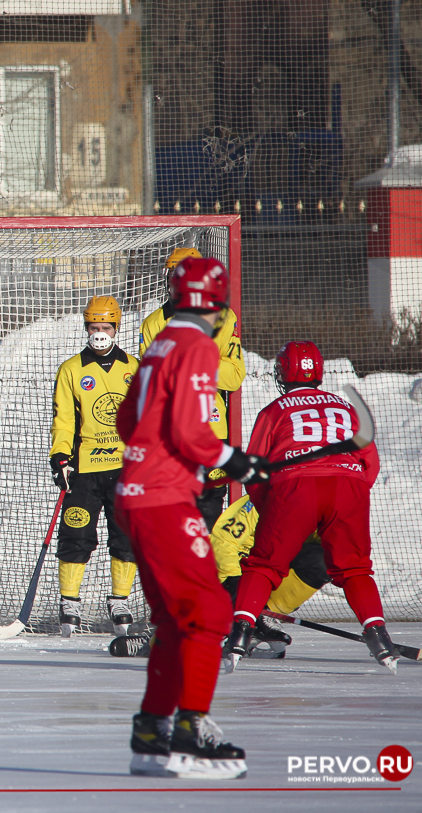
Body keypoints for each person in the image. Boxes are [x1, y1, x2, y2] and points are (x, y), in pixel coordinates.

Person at [115, 255, 270, 779]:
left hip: (134, 495)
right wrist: (235, 460)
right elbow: (189, 430)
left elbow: (125, 418)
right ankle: (190, 731)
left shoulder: (159, 343)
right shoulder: (198, 346)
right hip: (163, 499)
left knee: (172, 622)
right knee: (207, 612)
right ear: (219, 305)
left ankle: (152, 730)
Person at [224, 341, 397, 672]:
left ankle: (239, 634)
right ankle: (378, 635)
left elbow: (255, 473)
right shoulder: (346, 407)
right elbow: (369, 465)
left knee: (263, 565)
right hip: (349, 485)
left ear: (285, 371)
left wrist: (274, 513)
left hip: (295, 486)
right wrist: (346, 500)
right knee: (355, 568)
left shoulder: (274, 410)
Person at [49, 295, 140, 637]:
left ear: (116, 328)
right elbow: (63, 421)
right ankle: (69, 602)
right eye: (93, 327)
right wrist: (60, 457)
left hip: (126, 468)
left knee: (126, 535)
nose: (99, 333)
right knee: (76, 532)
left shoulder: (134, 368)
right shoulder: (72, 369)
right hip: (84, 467)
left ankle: (120, 600)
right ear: (85, 328)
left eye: (105, 327)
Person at [139, 247, 245, 531]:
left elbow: (234, 376)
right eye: (173, 274)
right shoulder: (153, 324)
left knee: (209, 519)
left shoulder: (224, 319)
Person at [211, 495, 328, 657]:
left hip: (271, 569)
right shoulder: (261, 500)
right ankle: (233, 617)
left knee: (324, 559)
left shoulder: (322, 504)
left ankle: (264, 614)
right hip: (240, 568)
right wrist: (233, 583)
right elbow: (222, 540)